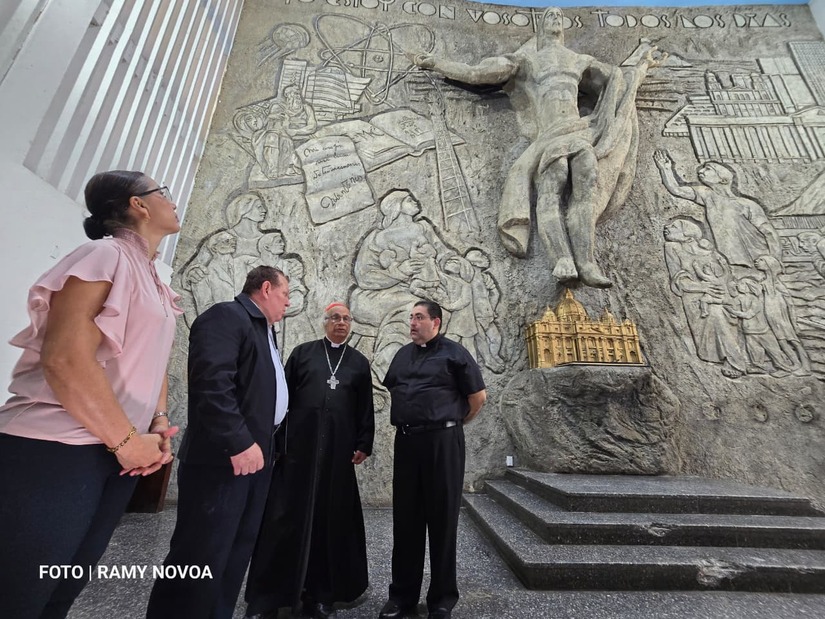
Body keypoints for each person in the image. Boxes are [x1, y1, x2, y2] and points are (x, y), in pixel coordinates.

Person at [0, 171, 182, 618]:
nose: (172, 202)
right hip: (55, 448)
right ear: (139, 205)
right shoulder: (103, 255)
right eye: (164, 193)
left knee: (63, 591)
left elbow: (154, 357)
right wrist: (127, 441)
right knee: (20, 594)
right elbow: (64, 359)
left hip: (116, 452)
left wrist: (156, 422)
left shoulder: (155, 277)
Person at [413, 7, 658, 288]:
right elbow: (476, 73)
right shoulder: (526, 60)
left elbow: (618, 81)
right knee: (553, 183)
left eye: (559, 15)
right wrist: (436, 64)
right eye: (549, 15)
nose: (555, 18)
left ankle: (587, 262)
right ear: (540, 26)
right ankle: (562, 258)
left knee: (587, 182)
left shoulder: (579, 60)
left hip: (577, 131)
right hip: (548, 135)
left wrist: (640, 63)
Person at [146, 266, 291, 619]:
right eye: (286, 294)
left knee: (235, 552)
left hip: (256, 459)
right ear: (267, 288)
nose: (288, 302)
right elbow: (212, 384)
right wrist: (238, 442)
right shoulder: (227, 316)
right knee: (201, 555)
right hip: (223, 460)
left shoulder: (264, 331)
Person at [246, 302, 375, 619]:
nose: (341, 323)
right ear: (324, 323)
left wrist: (364, 443)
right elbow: (282, 400)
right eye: (335, 318)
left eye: (346, 318)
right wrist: (276, 442)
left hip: (337, 458)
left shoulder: (358, 363)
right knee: (281, 522)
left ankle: (321, 596)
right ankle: (268, 599)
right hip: (296, 456)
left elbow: (365, 408)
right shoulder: (303, 354)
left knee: (329, 525)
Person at [378, 300, 487, 619]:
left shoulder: (455, 354)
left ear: (436, 322)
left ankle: (442, 599)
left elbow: (477, 398)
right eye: (410, 317)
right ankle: (402, 597)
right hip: (408, 443)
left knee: (442, 520)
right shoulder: (401, 355)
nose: (412, 322)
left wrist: (452, 424)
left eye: (419, 317)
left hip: (443, 443)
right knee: (406, 520)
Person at [653, 150, 781, 270]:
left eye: (708, 169)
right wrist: (665, 169)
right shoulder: (707, 195)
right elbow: (677, 189)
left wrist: (775, 259)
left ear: (723, 179)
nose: (701, 171)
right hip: (729, 258)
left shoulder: (748, 205)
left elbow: (769, 232)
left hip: (758, 257)